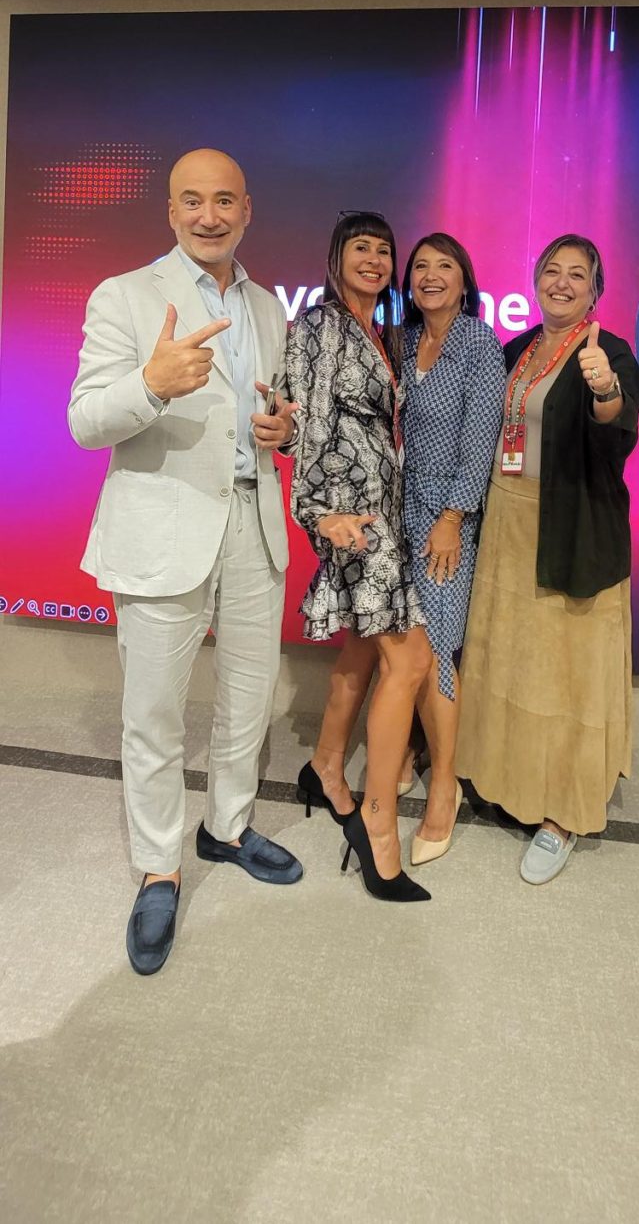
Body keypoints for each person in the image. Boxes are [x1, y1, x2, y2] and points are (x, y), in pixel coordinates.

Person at [68, 148, 303, 976]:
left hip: (253, 520)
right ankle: (159, 866)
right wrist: (153, 383)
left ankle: (227, 827)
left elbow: (265, 411)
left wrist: (282, 429)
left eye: (225, 200)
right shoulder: (125, 295)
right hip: (163, 527)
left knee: (249, 696)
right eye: (193, 200)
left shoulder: (267, 306)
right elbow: (85, 420)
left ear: (247, 209)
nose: (210, 215)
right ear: (170, 210)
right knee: (154, 712)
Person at [456, 233, 639, 885]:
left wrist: (605, 389)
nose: (562, 283)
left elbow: (617, 426)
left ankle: (562, 814)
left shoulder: (608, 352)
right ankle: (509, 782)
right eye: (552, 271)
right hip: (507, 523)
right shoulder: (518, 348)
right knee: (513, 664)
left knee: (568, 677)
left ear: (596, 291)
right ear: (536, 280)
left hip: (573, 528)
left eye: (577, 275)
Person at [286, 212, 434, 904]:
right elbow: (308, 422)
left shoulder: (380, 332)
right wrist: (317, 513)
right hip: (350, 519)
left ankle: (324, 766)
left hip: (382, 511)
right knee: (410, 660)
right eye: (360, 248)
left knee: (365, 649)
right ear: (336, 256)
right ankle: (378, 825)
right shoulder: (319, 325)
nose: (374, 259)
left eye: (383, 250)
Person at [399, 233, 505, 866]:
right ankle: (413, 749)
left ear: (465, 281)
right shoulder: (404, 341)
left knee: (437, 645)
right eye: (421, 266)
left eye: (445, 266)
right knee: (404, 640)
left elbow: (480, 440)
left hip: (448, 517)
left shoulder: (478, 343)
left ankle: (445, 785)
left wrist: (452, 517)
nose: (431, 275)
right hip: (398, 511)